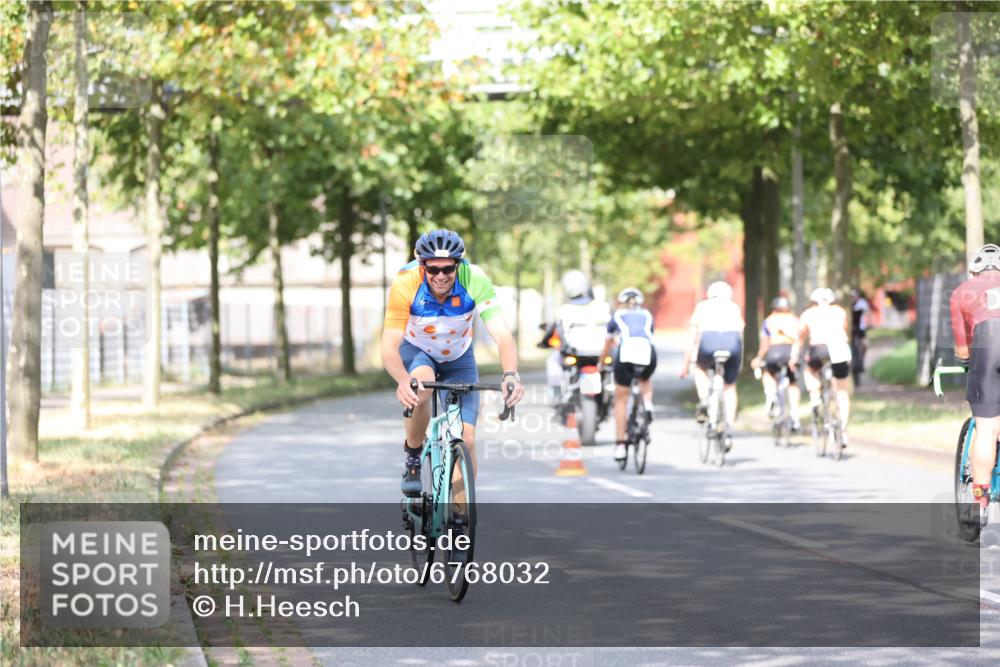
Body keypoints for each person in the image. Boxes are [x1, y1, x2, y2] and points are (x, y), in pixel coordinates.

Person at [382, 229, 524, 497]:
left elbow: (502, 335)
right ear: (421, 264)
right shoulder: (406, 282)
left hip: (459, 357)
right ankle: (413, 455)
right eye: (433, 269)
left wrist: (511, 374)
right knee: (421, 386)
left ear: (458, 264)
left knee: (466, 438)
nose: (441, 276)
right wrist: (403, 380)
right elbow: (389, 346)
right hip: (418, 350)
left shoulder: (474, 279)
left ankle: (460, 516)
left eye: (448, 269)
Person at [948, 243, 1000, 511]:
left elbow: (962, 345)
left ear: (974, 271)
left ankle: (980, 503)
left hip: (989, 346)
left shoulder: (962, 291)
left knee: (987, 429)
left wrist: (968, 362)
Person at [680, 281, 745, 442]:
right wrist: (739, 361)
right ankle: (729, 424)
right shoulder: (734, 307)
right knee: (729, 387)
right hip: (732, 343)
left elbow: (692, 338)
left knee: (701, 369)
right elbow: (741, 334)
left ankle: (703, 400)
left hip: (708, 341)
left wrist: (686, 364)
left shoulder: (702, 307)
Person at [600, 287, 657, 462]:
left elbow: (608, 343)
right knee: (645, 379)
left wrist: (601, 362)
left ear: (621, 302)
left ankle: (620, 446)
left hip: (626, 353)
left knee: (621, 400)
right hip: (648, 352)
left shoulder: (617, 316)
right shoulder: (648, 315)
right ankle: (647, 404)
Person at [790, 287, 852, 444]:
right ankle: (843, 430)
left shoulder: (809, 314)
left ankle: (815, 395)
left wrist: (794, 355)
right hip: (839, 348)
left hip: (819, 348)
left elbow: (800, 337)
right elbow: (844, 329)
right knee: (842, 391)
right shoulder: (839, 311)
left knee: (810, 371)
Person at [540, 270, 611, 403]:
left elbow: (555, 331)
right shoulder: (601, 306)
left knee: (552, 361)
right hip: (600, 354)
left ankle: (555, 394)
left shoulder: (565, 310)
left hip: (574, 353)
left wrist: (543, 343)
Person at [751, 296, 802, 432]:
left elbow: (765, 344)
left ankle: (771, 394)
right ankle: (795, 414)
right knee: (793, 383)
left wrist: (758, 358)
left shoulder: (769, 320)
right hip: (790, 351)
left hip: (774, 351)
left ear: (774, 309)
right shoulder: (795, 320)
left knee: (768, 372)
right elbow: (800, 339)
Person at [851, 288, 872, 385]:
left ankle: (861, 361)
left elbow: (867, 314)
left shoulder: (862, 304)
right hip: (851, 330)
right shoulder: (848, 304)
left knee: (865, 345)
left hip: (860, 330)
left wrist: (868, 324)